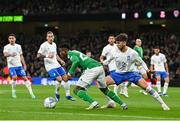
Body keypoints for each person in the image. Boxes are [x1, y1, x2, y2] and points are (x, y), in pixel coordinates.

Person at [104, 33, 170, 110]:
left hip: (131, 73)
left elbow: (141, 62)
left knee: (148, 88)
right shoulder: (114, 51)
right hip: (118, 73)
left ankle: (163, 104)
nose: (117, 44)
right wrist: (102, 63)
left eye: (119, 42)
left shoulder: (132, 53)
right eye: (117, 42)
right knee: (102, 83)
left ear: (124, 42)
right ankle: (115, 102)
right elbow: (108, 60)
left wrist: (147, 70)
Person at [59, 48, 128, 110]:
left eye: (61, 53)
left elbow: (76, 61)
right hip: (100, 67)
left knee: (77, 90)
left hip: (91, 69)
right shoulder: (75, 51)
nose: (61, 55)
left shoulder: (70, 54)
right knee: (105, 89)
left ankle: (94, 103)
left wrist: (69, 73)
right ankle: (123, 104)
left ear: (64, 52)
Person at [37, 31, 75, 101]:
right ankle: (57, 92)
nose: (50, 38)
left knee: (66, 78)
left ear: (53, 37)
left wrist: (60, 60)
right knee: (59, 79)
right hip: (49, 67)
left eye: (51, 36)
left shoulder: (54, 44)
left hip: (56, 64)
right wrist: (47, 55)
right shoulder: (43, 45)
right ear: (46, 37)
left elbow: (56, 55)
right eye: (49, 36)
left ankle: (68, 95)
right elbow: (38, 55)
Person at [3, 33, 36, 99]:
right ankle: (13, 92)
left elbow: (21, 55)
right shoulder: (6, 47)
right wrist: (10, 54)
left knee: (25, 78)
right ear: (8, 39)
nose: (11, 39)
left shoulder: (18, 46)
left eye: (12, 38)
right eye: (10, 38)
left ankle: (31, 93)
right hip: (11, 66)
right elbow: (5, 54)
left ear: (15, 39)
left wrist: (24, 64)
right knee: (14, 77)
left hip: (19, 65)